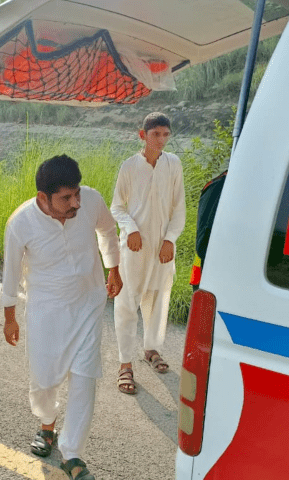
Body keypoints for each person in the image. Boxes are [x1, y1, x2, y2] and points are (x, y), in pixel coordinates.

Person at [2, 155, 121, 480]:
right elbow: (10, 274)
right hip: (46, 311)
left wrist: (113, 268)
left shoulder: (91, 200)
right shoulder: (21, 223)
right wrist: (10, 317)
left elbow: (107, 230)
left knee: (84, 377)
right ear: (44, 197)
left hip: (88, 304)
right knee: (44, 379)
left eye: (77, 194)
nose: (76, 203)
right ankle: (47, 424)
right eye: (66, 198)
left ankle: (72, 453)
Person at [110, 112, 185, 395]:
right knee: (127, 301)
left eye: (166, 135)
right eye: (156, 134)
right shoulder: (130, 166)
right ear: (142, 135)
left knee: (157, 297)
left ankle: (151, 349)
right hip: (135, 247)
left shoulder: (173, 164)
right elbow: (117, 207)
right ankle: (125, 363)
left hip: (162, 247)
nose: (161, 140)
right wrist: (130, 229)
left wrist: (170, 239)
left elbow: (179, 208)